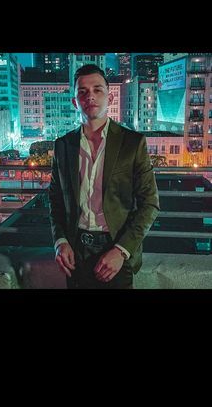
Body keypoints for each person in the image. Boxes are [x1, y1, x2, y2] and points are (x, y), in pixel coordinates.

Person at [49, 64, 160, 289]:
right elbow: (55, 200)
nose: (90, 96)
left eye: (97, 89)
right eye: (82, 91)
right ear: (74, 102)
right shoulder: (63, 146)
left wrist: (122, 250)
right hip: (75, 252)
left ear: (110, 98)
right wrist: (60, 241)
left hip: (115, 250)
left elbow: (150, 203)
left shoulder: (132, 143)